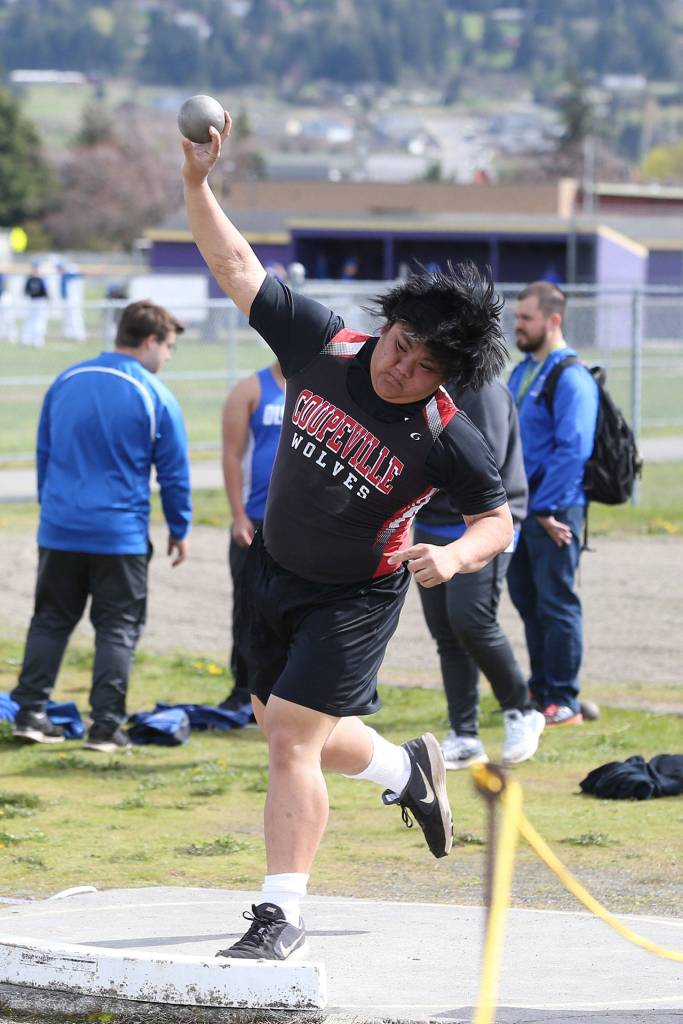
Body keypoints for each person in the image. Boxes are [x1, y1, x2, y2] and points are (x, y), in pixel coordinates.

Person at [181, 112, 513, 962]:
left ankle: (280, 912)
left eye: (428, 367)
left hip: (354, 595)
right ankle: (407, 774)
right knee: (291, 730)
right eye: (404, 346)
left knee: (290, 738)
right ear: (389, 324)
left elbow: (495, 517)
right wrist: (196, 184)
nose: (404, 369)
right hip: (271, 572)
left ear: (448, 380)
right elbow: (235, 266)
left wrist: (455, 553)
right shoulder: (322, 343)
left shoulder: (443, 434)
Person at [11, 300, 191, 752]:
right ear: (150, 341)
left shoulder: (66, 380)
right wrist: (179, 526)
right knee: (118, 627)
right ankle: (106, 726)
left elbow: (44, 453)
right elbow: (173, 473)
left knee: (50, 619)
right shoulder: (154, 393)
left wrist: (49, 509)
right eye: (168, 346)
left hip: (60, 527)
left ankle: (30, 712)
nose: (167, 356)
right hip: (119, 535)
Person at [413, 380, 545, 768]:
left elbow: (480, 468)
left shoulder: (482, 391)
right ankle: (465, 735)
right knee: (446, 633)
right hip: (434, 526)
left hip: (483, 528)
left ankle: (522, 709)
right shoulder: (427, 383)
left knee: (471, 620)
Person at [507, 281, 599, 727]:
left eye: (526, 318)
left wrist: (545, 509)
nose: (517, 325)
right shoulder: (524, 370)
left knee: (557, 602)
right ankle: (541, 687)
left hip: (554, 511)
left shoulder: (572, 376)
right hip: (524, 512)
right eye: (517, 317)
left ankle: (565, 699)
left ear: (553, 320)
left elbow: (573, 449)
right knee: (528, 599)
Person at [219, 360, 285, 714]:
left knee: (293, 611)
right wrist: (237, 515)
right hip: (255, 519)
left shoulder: (322, 387)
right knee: (248, 608)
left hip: (300, 524)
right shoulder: (251, 389)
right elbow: (232, 453)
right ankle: (243, 690)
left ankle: (288, 693)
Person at [21, 262, 49, 348]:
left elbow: (45, 293)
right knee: (32, 321)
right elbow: (26, 291)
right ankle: (28, 340)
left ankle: (37, 340)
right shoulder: (32, 279)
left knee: (39, 321)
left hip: (40, 302)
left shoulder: (40, 279)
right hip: (33, 301)